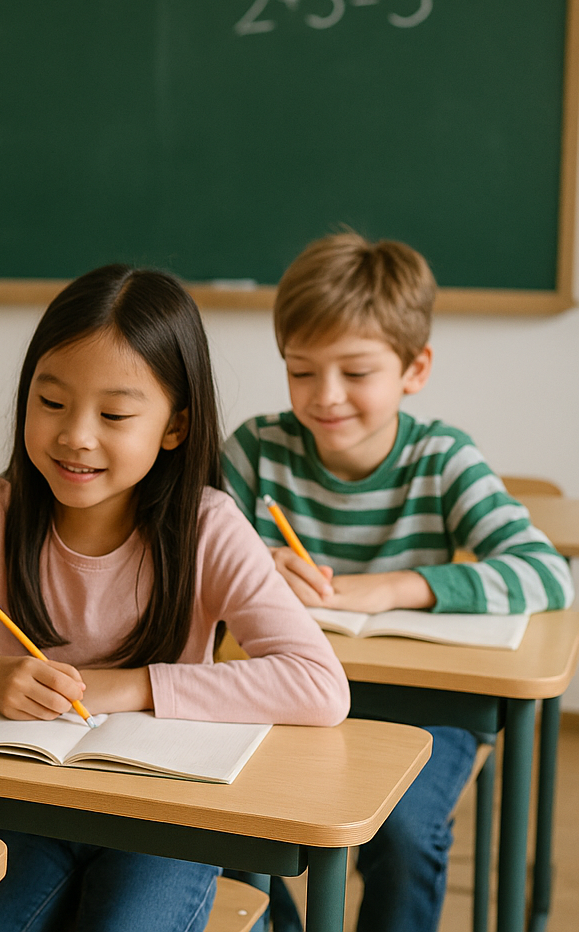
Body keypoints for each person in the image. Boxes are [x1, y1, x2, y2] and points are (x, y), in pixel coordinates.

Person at [0, 265, 349, 932]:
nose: (76, 434)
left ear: (175, 426)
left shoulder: (206, 527)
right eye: (52, 403)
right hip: (24, 805)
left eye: (115, 414)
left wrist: (126, 688)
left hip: (161, 814)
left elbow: (319, 684)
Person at [221, 233, 573, 932]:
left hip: (427, 707)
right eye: (302, 372)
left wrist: (392, 587)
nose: (325, 398)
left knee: (406, 833)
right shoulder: (257, 449)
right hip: (290, 697)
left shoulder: (441, 458)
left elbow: (546, 572)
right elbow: (189, 557)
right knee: (227, 819)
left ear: (415, 369)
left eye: (356, 373)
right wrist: (256, 563)